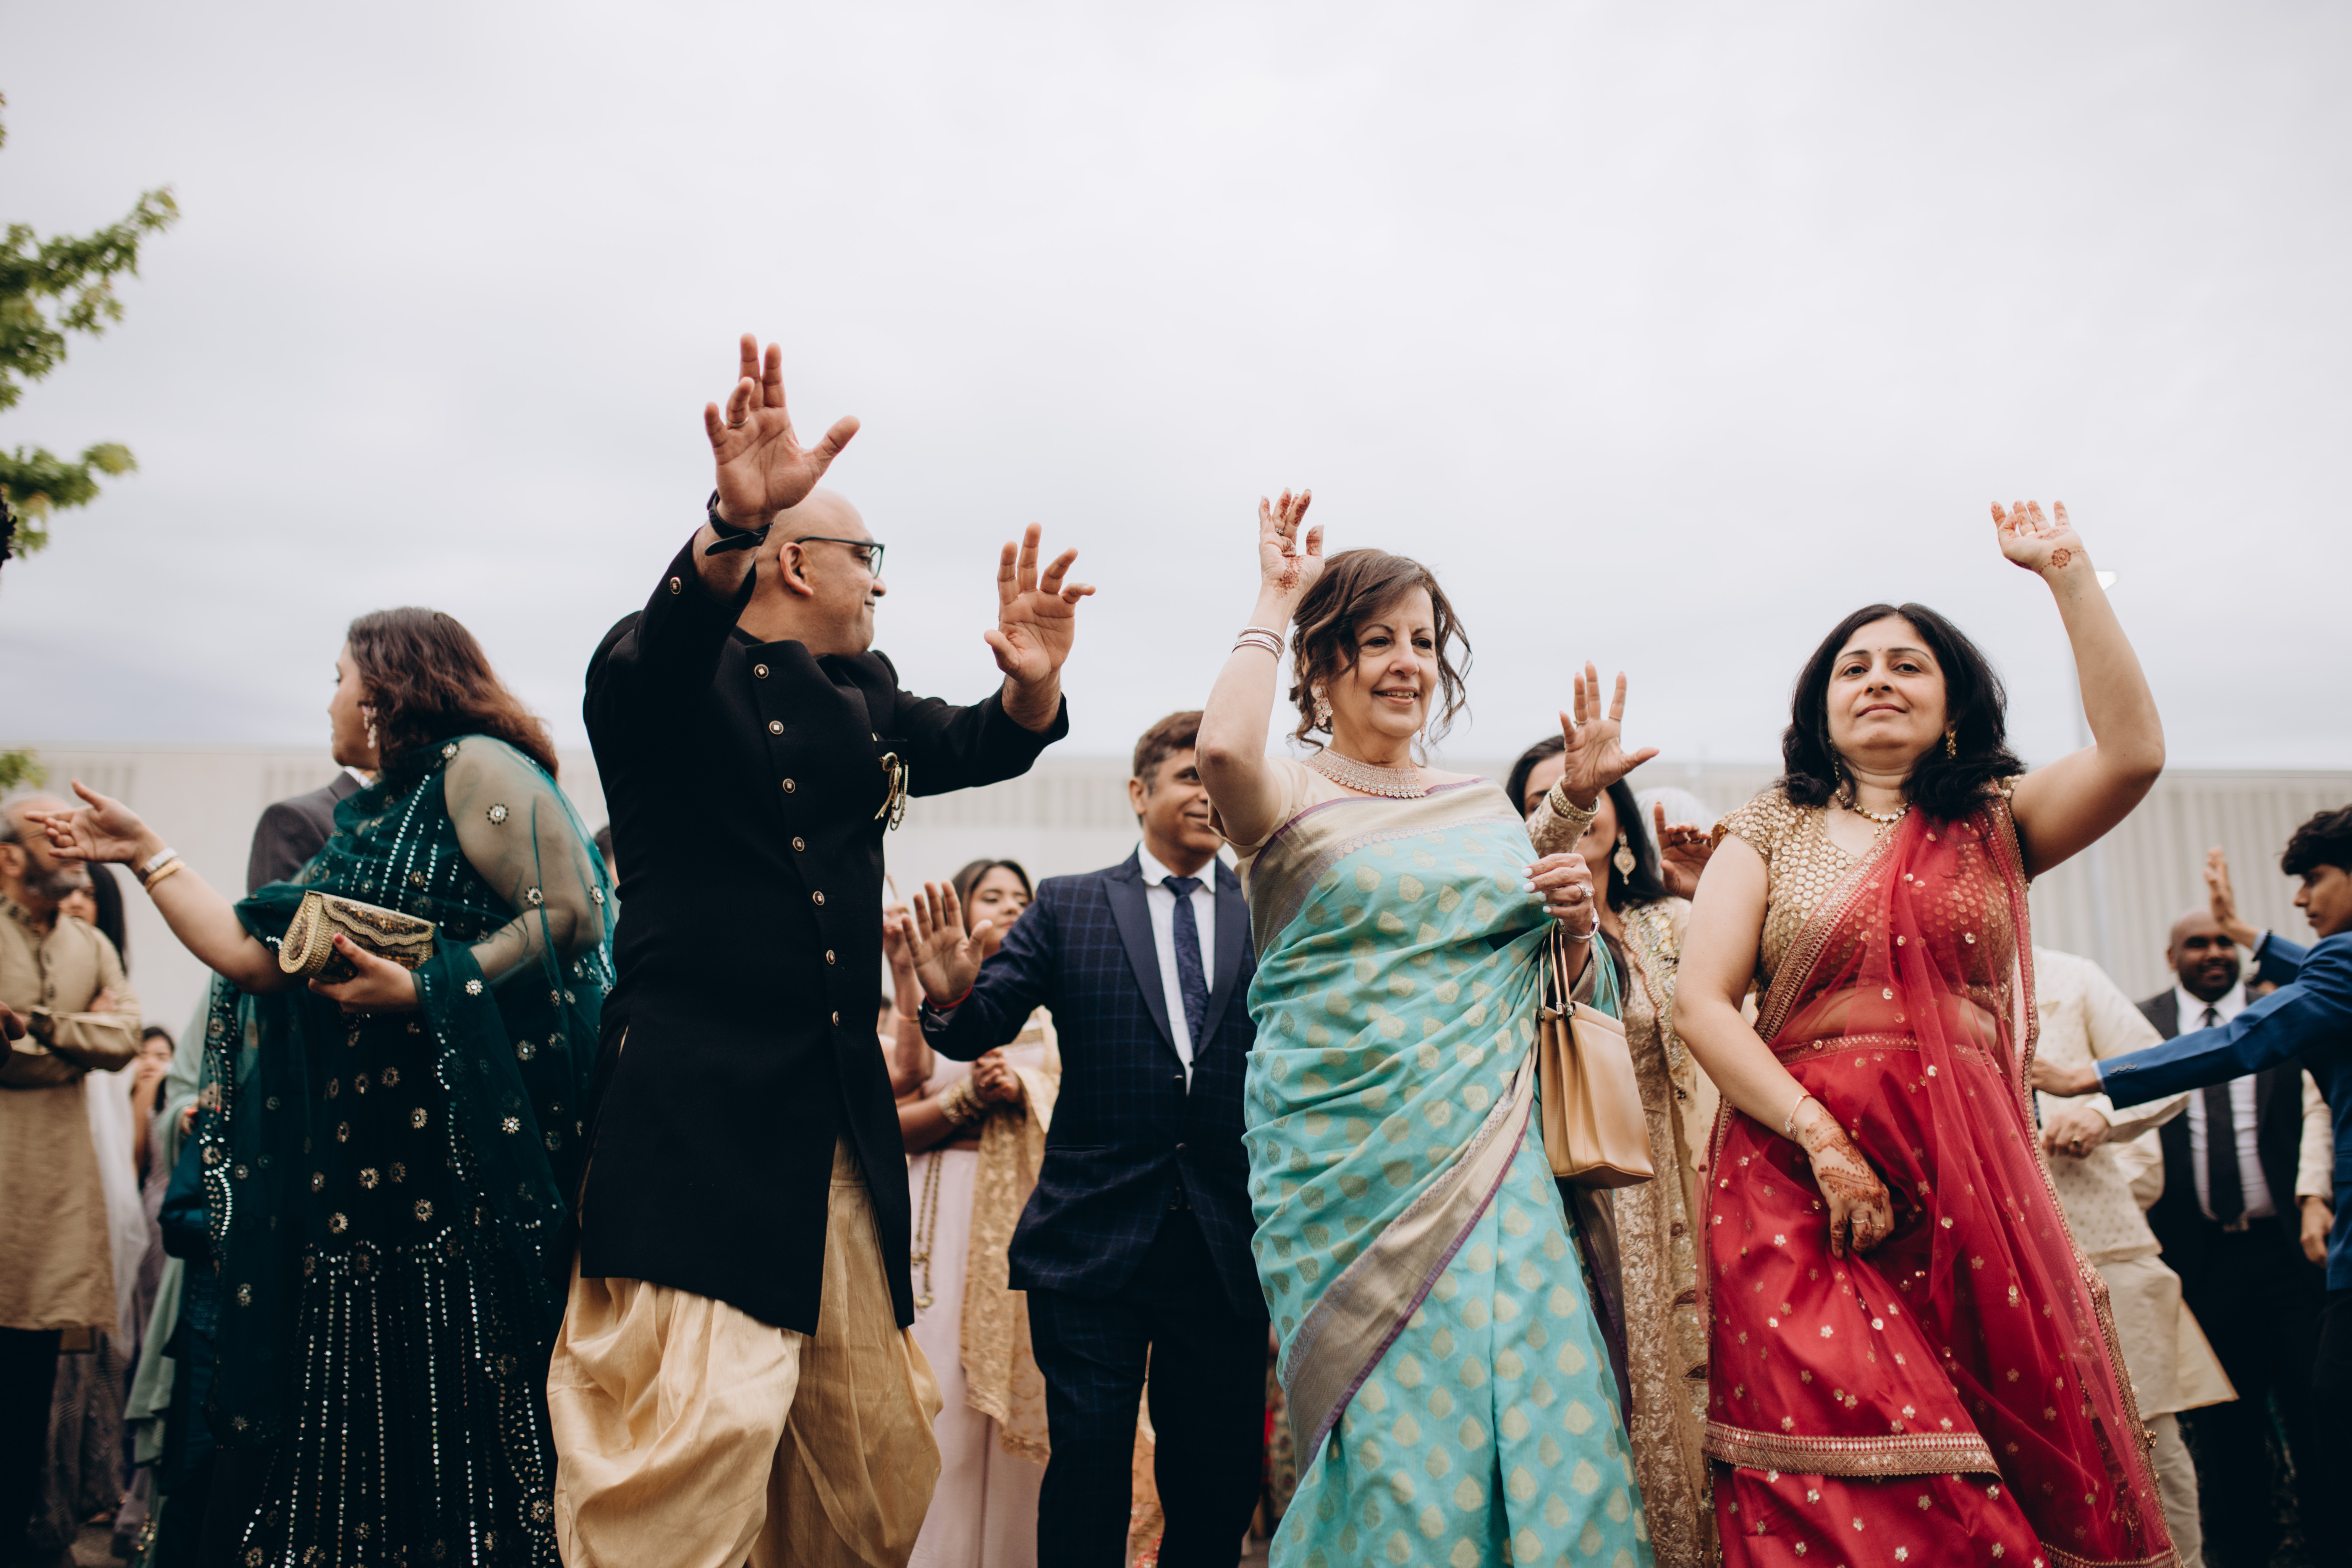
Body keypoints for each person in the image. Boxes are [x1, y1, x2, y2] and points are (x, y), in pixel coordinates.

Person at [553, 333, 1088, 1568]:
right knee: (688, 1444)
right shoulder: (656, 676)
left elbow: (974, 741)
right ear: (794, 561)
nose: (879, 587)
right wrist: (727, 523)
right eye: (866, 559)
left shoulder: (860, 694)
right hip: (696, 1123)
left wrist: (1030, 687)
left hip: (836, 1134)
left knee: (863, 1467)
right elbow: (660, 651)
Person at [27, 607, 614, 1568]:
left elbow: (572, 913)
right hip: (357, 1191)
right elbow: (252, 955)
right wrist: (142, 853)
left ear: (385, 690)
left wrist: (426, 988)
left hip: (462, 1177)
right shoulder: (368, 822)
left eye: (339, 678)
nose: (331, 699)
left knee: (469, 1434)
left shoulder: (478, 768)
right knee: (363, 1444)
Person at [1674, 501, 2175, 1564]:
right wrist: (1819, 1138)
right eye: (1852, 668)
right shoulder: (1765, 825)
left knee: (1999, 1443)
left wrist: (2067, 575)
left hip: (1967, 1180)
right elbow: (1702, 1004)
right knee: (1846, 1444)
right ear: (1819, 708)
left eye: (1908, 665)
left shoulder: (1995, 820)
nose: (1878, 680)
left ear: (1953, 705)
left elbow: (2132, 755)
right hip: (1794, 1173)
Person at [1197, 494, 1653, 1568]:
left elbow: (1548, 982)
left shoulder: (1480, 809)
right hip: (1345, 1172)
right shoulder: (1285, 796)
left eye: (1422, 641)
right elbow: (1219, 749)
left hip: (1496, 1161)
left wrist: (1572, 920)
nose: (1406, 663)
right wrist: (1274, 596)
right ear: (1320, 664)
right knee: (1399, 1442)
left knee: (1543, 1401)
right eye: (1375, 641)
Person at [904, 712, 1267, 1568]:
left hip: (1226, 1240)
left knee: (1213, 1482)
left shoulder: (1272, 910)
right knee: (1089, 1467)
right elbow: (982, 1020)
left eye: (1218, 778)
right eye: (1188, 775)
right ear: (1139, 791)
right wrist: (951, 995)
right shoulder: (1069, 903)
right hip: (1090, 1238)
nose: (1206, 794)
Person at [2039, 807, 2352, 1564]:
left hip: (2301, 1252)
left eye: (2313, 878)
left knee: (2333, 1414)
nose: (2301, 898)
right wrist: (2248, 934)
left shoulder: (2339, 967)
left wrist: (2096, 1076)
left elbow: (2246, 1035)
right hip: (2218, 1258)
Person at [1508, 715, 1718, 1568]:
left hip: (1685, 1181)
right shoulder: (1508, 939)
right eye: (1550, 797)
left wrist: (1711, 896)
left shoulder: (1668, 921)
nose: (1575, 804)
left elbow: (1749, 1021)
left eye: (1594, 791)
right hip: (1570, 1190)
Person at [2125, 888, 2331, 1565]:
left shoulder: (2286, 1007)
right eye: (2198, 943)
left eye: (2222, 942)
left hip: (2290, 1254)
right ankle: (2244, 1552)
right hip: (2198, 1262)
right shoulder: (2141, 1023)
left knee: (2316, 1412)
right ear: (2171, 957)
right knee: (2224, 1430)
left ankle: (2329, 1546)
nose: (2214, 953)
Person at [2030, 945, 2231, 1568]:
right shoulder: (1917, 983)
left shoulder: (2069, 975)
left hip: (2104, 1245)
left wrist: (2099, 1111)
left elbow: (2163, 1070)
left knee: (2151, 1439)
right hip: (1988, 1251)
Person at [894, 858, 1055, 1568]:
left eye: (1022, 898)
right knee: (944, 1400)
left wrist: (1027, 1088)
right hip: (944, 1215)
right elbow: (892, 1118)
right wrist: (969, 1097)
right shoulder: (927, 995)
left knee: (1026, 1399)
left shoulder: (1051, 1006)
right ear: (962, 908)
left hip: (1028, 1213)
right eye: (993, 895)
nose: (1011, 908)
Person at [0, 795, 142, 1560]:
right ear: (7, 856)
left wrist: (34, 1024)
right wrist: (77, 1041)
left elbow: (124, 1037)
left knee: (25, 1400)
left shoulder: (92, 942)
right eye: (49, 838)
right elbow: (97, 1041)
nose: (71, 848)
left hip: (52, 1203)